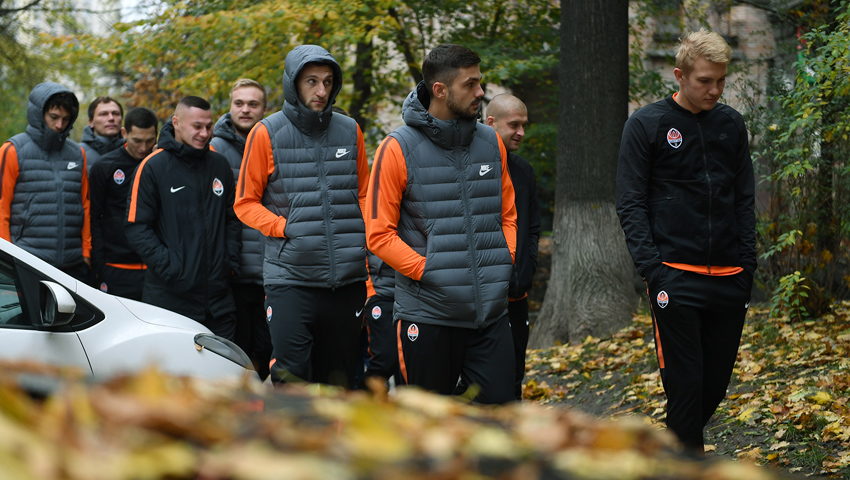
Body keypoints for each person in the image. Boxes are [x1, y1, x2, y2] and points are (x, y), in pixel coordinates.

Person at [616, 29, 756, 453]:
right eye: (704, 81)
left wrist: (747, 264)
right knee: (685, 384)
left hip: (730, 275)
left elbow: (744, 198)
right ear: (679, 76)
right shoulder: (647, 124)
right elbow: (630, 203)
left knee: (714, 385)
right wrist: (653, 270)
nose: (715, 90)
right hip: (675, 276)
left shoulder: (731, 124)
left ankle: (669, 456)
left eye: (721, 81)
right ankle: (685, 465)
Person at [366, 44, 518, 405]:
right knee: (427, 425)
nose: (480, 92)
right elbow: (379, 233)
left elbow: (507, 215)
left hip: (490, 317)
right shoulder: (397, 147)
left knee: (501, 419)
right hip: (428, 315)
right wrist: (429, 271)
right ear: (440, 90)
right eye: (470, 84)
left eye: (479, 82)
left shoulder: (490, 142)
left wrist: (503, 260)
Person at [235, 45, 369, 388]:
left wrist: (365, 242)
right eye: (311, 81)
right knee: (291, 377)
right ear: (293, 83)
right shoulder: (266, 132)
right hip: (291, 279)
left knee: (339, 380)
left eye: (327, 81)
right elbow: (245, 203)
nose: (321, 90)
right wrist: (285, 228)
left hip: (347, 280)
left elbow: (366, 196)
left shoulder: (350, 130)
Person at [126, 96, 241, 340]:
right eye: (197, 126)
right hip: (170, 300)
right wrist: (172, 268)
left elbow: (232, 219)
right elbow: (137, 227)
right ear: (176, 123)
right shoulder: (152, 166)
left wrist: (228, 262)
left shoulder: (220, 165)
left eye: (208, 126)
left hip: (219, 302)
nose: (204, 133)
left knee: (224, 364)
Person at [210, 79, 272, 380]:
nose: (245, 109)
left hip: (270, 271)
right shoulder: (213, 148)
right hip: (232, 272)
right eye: (239, 103)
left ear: (264, 109)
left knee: (267, 349)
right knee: (235, 352)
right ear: (230, 106)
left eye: (253, 104)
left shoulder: (276, 144)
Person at [0, 82, 91, 280]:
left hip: (73, 264)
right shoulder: (12, 150)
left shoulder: (78, 154)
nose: (60, 125)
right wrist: (7, 260)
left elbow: (85, 206)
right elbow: (2, 207)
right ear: (38, 114)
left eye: (65, 119)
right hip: (27, 263)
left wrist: (86, 254)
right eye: (54, 117)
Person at [485, 94, 541, 401]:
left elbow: (532, 229)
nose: (521, 132)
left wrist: (527, 269)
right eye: (514, 125)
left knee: (515, 377)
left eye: (524, 125)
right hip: (483, 299)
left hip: (517, 296)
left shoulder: (523, 171)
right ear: (491, 123)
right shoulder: (472, 168)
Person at [89, 107, 159, 300]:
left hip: (155, 267)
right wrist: (99, 264)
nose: (143, 147)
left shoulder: (161, 165)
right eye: (137, 140)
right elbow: (93, 217)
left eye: (149, 140)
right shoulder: (104, 166)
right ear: (124, 133)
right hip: (115, 267)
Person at [81, 96, 124, 171]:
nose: (111, 118)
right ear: (91, 122)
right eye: (103, 114)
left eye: (115, 113)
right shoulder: (78, 152)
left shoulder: (134, 151)